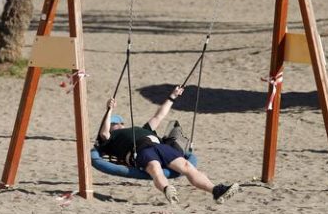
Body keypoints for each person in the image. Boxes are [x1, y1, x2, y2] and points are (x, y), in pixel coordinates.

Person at [95, 86, 239, 205]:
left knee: (187, 167)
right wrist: (109, 110)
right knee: (155, 169)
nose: (118, 125)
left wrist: (172, 96)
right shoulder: (111, 138)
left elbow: (159, 116)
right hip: (139, 150)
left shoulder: (143, 129)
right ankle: (167, 189)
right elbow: (104, 133)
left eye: (120, 122)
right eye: (114, 123)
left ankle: (215, 190)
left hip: (160, 147)